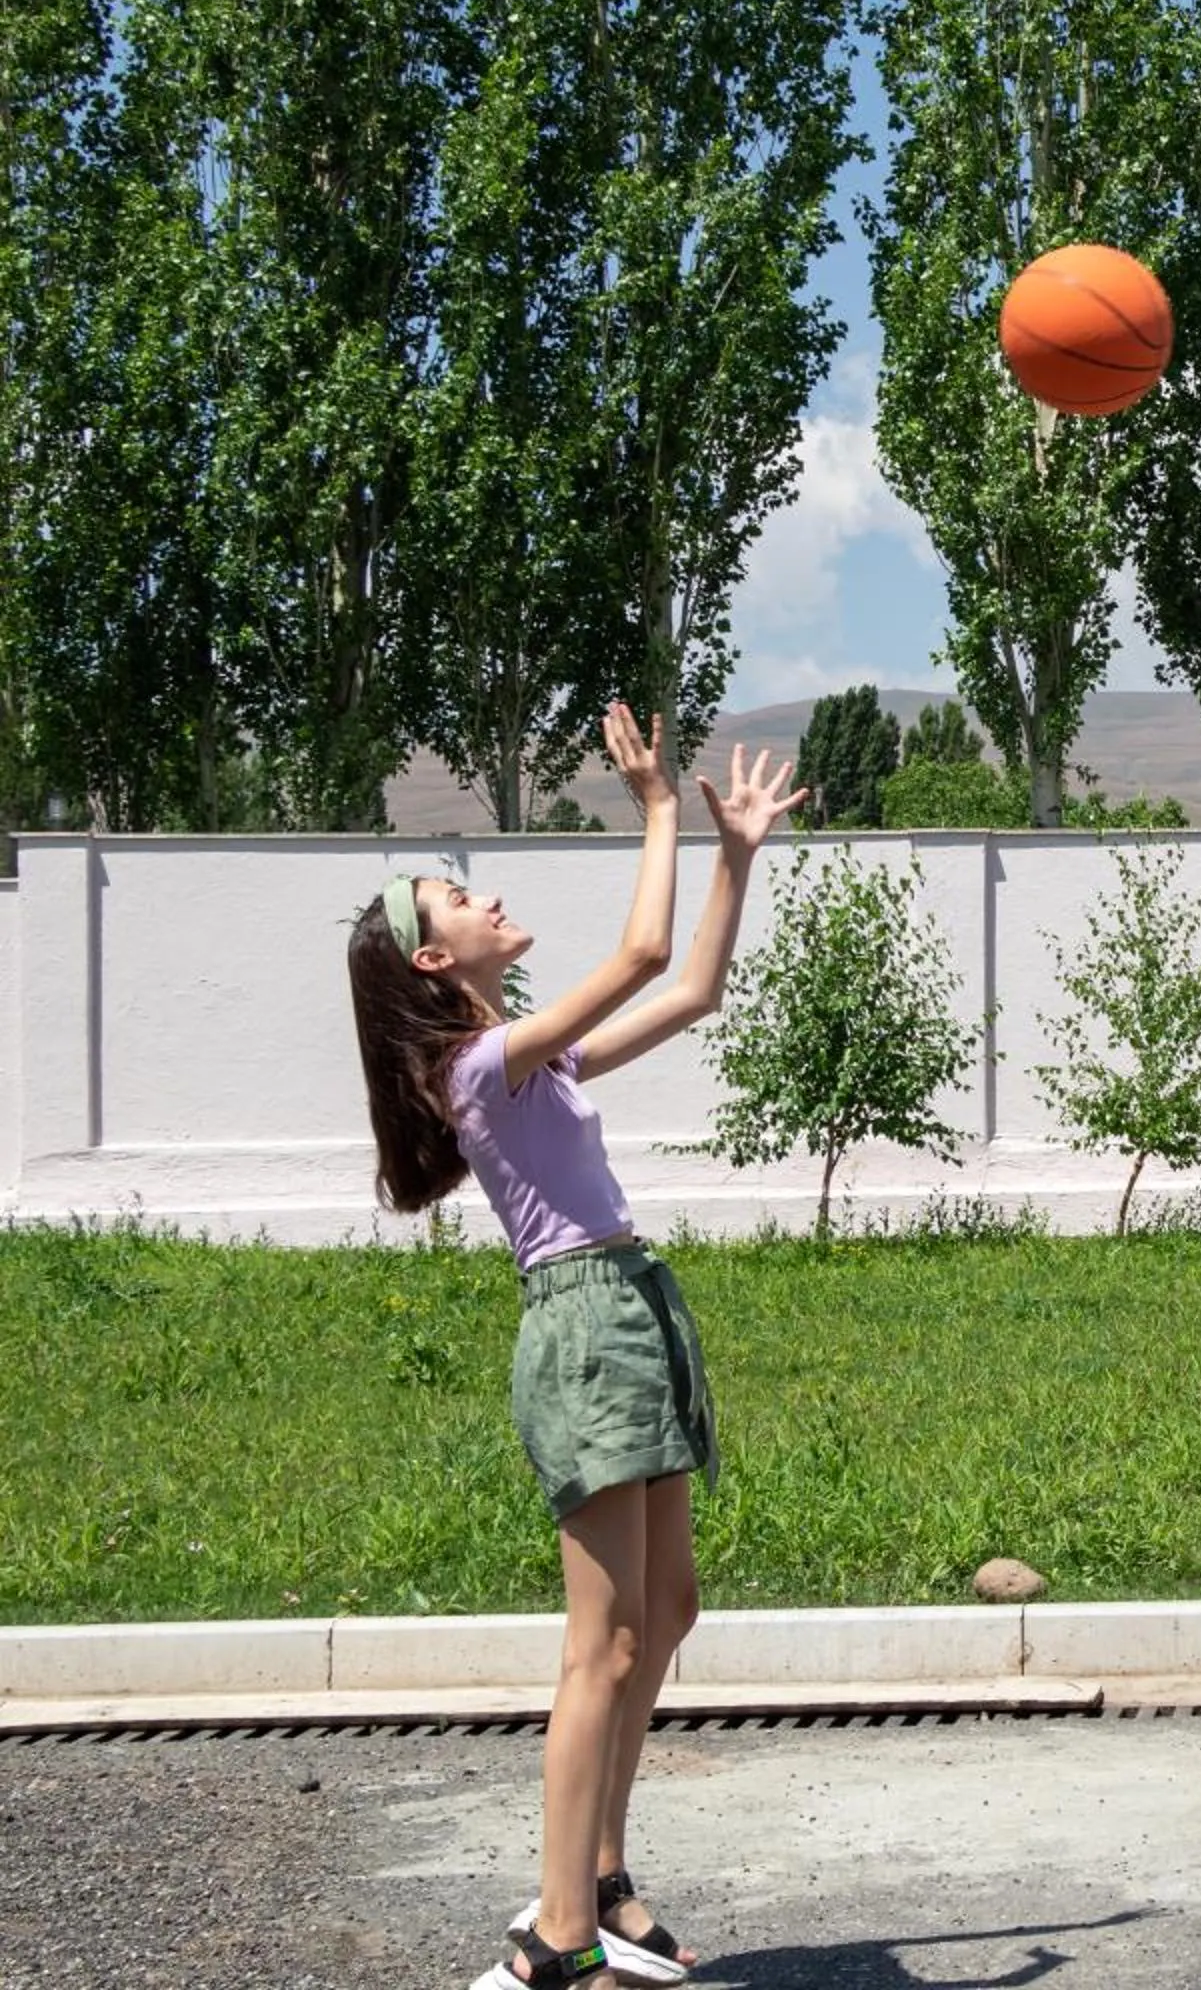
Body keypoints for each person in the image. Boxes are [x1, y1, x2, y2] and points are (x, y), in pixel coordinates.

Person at [347, 704, 802, 1989]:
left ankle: (602, 1880)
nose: (486, 899)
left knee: (666, 1613)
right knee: (597, 1644)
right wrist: (656, 805)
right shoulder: (479, 1065)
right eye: (459, 897)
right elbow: (643, 948)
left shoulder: (536, 1059)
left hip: (631, 1309)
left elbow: (694, 984)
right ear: (434, 963)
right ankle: (556, 1939)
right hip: (584, 1329)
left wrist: (736, 852)